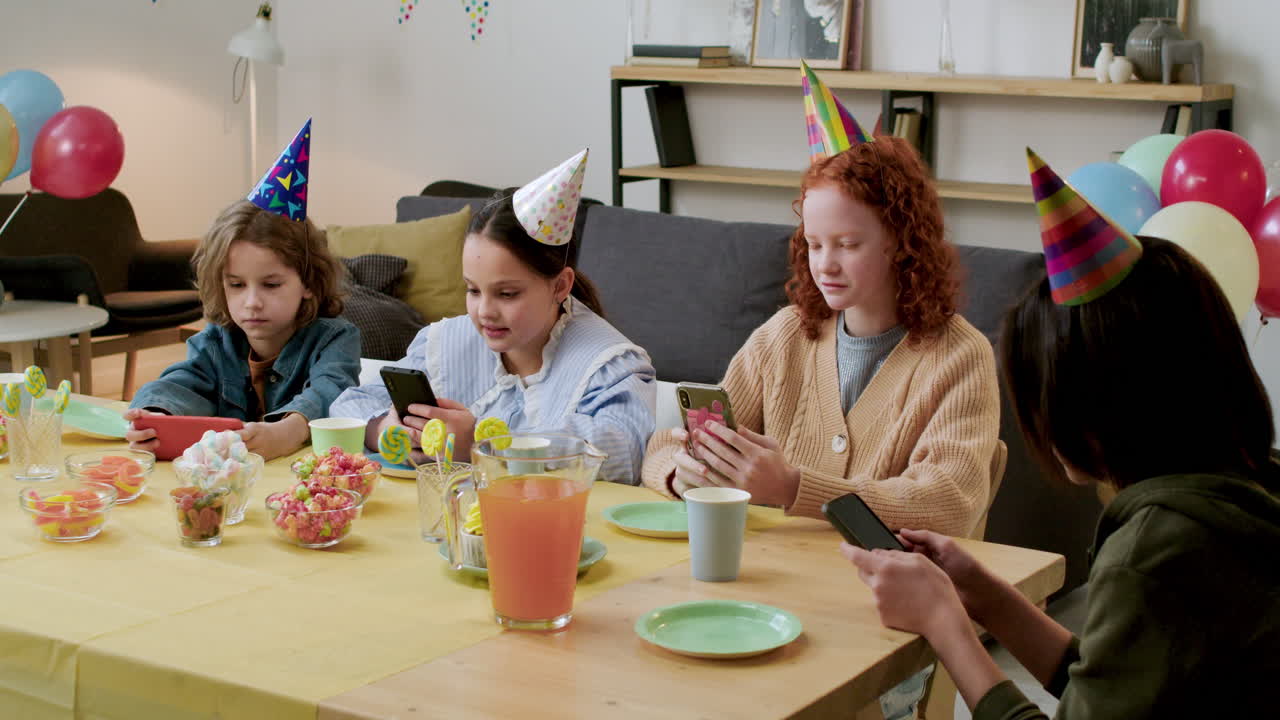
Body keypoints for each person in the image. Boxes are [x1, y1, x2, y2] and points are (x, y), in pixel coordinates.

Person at [844, 150, 1280, 718]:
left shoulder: (1159, 550)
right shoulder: (1245, 490)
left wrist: (945, 625)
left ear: (1097, 403)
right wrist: (985, 596)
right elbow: (1113, 686)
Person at [641, 66, 1002, 539]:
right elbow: (667, 445)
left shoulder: (960, 357)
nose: (825, 265)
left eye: (848, 244)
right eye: (814, 244)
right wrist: (678, 471)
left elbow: (948, 502)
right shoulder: (783, 335)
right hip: (780, 580)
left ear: (902, 241)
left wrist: (794, 487)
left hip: (900, 594)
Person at [330, 150, 656, 483]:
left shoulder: (608, 364)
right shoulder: (446, 344)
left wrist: (484, 446)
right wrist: (386, 429)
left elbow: (624, 454)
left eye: (507, 294)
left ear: (561, 286)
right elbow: (348, 405)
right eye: (473, 290)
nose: (485, 311)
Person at [126, 120, 360, 461]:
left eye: (271, 284)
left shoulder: (335, 338)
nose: (252, 302)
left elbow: (331, 389)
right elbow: (183, 382)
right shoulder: (217, 341)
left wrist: (289, 431)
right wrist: (155, 415)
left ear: (308, 282)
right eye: (236, 285)